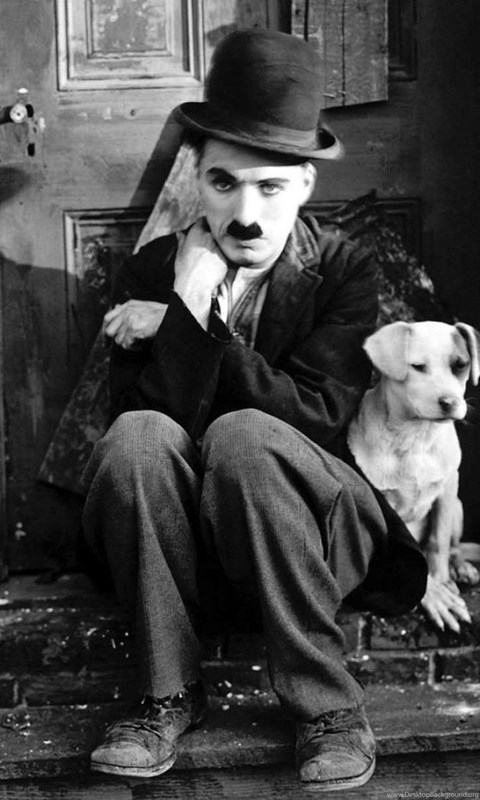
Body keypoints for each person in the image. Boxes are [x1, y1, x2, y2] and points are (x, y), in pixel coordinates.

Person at [82, 29, 429, 792]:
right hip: (192, 553)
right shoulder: (153, 269)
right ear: (196, 180)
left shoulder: (343, 268)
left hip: (317, 534)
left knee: (245, 434)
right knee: (137, 436)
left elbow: (315, 416)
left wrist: (185, 328)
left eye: (269, 188)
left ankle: (328, 708)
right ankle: (166, 696)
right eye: (223, 183)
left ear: (304, 185)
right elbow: (147, 432)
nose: (244, 215)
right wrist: (188, 295)